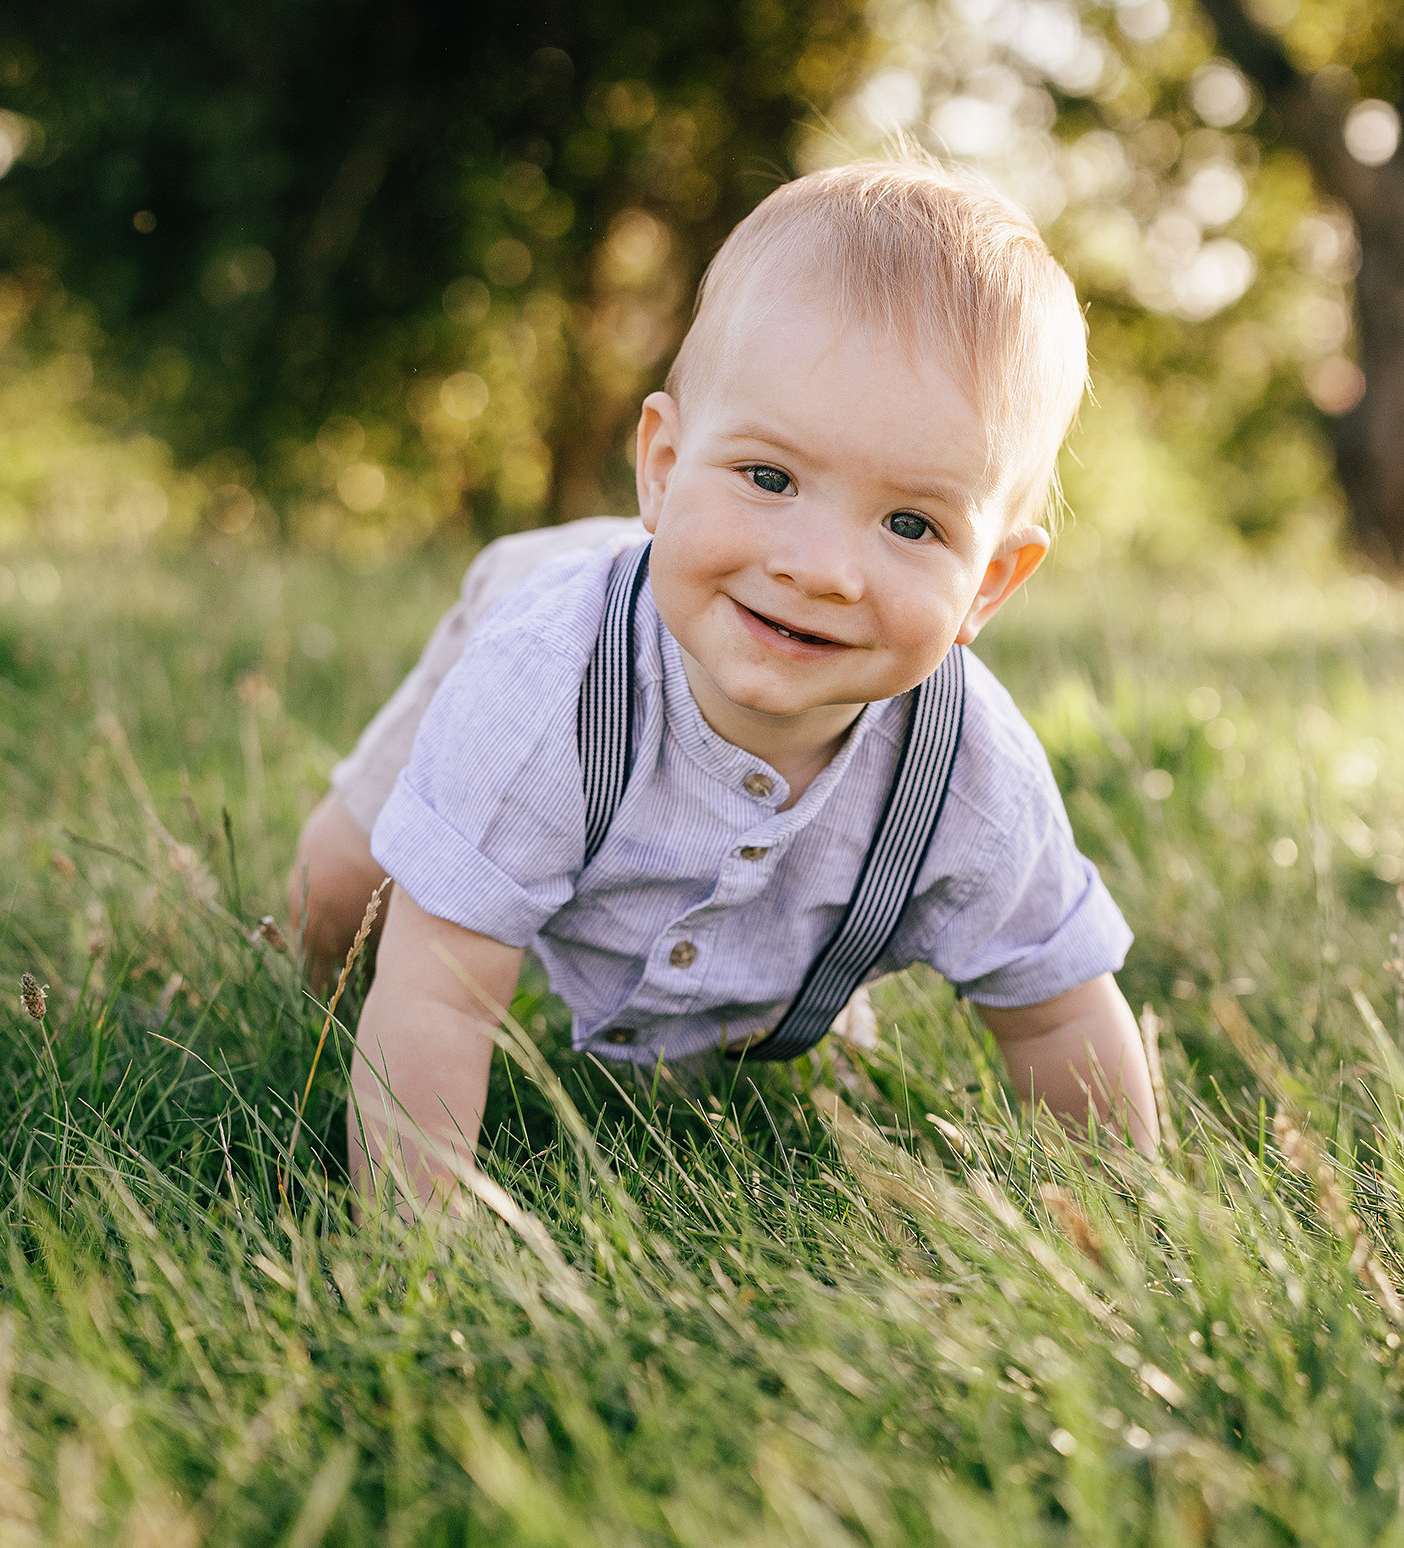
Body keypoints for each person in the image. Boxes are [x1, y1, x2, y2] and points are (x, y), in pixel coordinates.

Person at [289, 158, 1157, 1212]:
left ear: (992, 582)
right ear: (661, 466)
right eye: (771, 478)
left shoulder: (970, 772)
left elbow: (1058, 1011)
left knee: (739, 1028)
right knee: (350, 890)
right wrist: (414, 1253)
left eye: (911, 524)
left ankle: (765, 1014)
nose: (821, 568)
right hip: (532, 625)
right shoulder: (542, 683)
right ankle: (299, 1021)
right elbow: (443, 987)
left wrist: (1124, 1232)